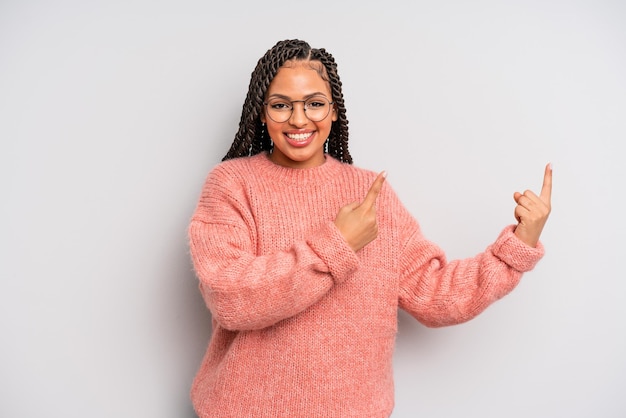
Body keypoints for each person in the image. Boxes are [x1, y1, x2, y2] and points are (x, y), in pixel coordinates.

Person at [187, 39, 552, 418]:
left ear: (333, 112)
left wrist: (519, 245)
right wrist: (338, 244)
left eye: (314, 103)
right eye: (281, 105)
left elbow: (435, 294)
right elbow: (229, 297)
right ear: (262, 113)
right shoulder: (231, 184)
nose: (299, 119)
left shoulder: (369, 195)